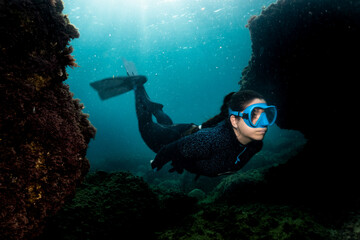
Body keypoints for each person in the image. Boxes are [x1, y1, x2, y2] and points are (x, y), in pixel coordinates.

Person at [90, 60, 277, 178]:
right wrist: (158, 163)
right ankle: (137, 88)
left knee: (168, 126)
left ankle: (157, 109)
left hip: (189, 132)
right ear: (234, 121)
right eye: (253, 116)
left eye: (267, 115)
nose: (264, 125)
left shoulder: (254, 143)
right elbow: (170, 149)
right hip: (177, 139)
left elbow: (218, 124)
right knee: (146, 127)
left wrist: (184, 162)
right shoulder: (213, 140)